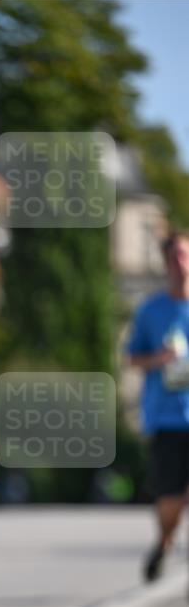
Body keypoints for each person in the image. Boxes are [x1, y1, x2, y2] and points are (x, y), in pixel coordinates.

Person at [127, 229, 189, 581]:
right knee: (170, 502)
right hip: (167, 418)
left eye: (185, 255)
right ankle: (165, 540)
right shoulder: (151, 311)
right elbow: (132, 358)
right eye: (174, 256)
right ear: (166, 263)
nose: (181, 263)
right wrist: (160, 359)